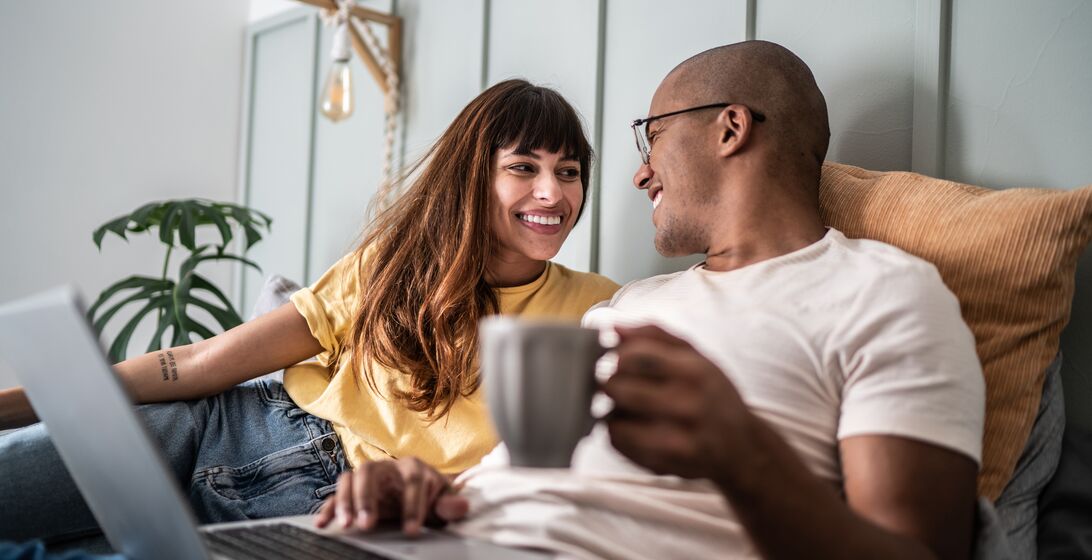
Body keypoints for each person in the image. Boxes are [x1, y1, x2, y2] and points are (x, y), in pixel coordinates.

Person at [315, 41, 987, 560]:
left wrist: (742, 454)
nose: (638, 172)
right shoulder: (630, 304)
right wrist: (423, 491)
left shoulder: (885, 293)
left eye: (653, 134)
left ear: (730, 130)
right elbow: (510, 482)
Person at [0, 79, 620, 542]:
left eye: (569, 172)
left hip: (343, 507)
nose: (554, 193)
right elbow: (199, 362)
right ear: (471, 178)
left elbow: (542, 473)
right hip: (234, 427)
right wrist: (27, 402)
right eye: (524, 167)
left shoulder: (597, 307)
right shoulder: (394, 266)